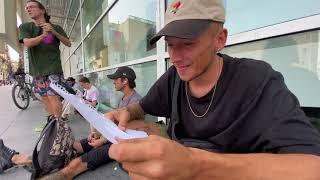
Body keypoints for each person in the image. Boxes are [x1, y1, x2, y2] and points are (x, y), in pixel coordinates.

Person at [105, 0, 320, 179]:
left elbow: (312, 167)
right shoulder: (174, 78)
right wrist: (124, 113)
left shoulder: (256, 79)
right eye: (170, 44)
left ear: (220, 39)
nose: (175, 57)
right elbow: (140, 108)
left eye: (188, 43)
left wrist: (195, 165)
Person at [39, 68, 142, 180]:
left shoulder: (136, 102)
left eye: (116, 79)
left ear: (125, 81)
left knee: (76, 164)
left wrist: (102, 140)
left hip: (119, 143)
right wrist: (97, 133)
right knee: (75, 146)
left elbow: (128, 130)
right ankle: (36, 159)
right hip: (111, 137)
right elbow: (115, 123)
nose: (113, 82)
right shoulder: (122, 98)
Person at [18, 0, 71, 118]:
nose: (28, 9)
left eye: (31, 7)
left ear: (42, 10)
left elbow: (68, 43)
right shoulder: (26, 27)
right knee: (45, 97)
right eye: (27, 8)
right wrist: (43, 35)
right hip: (37, 70)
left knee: (53, 96)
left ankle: (59, 125)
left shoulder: (56, 27)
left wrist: (54, 32)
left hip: (53, 68)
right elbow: (27, 43)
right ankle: (54, 122)